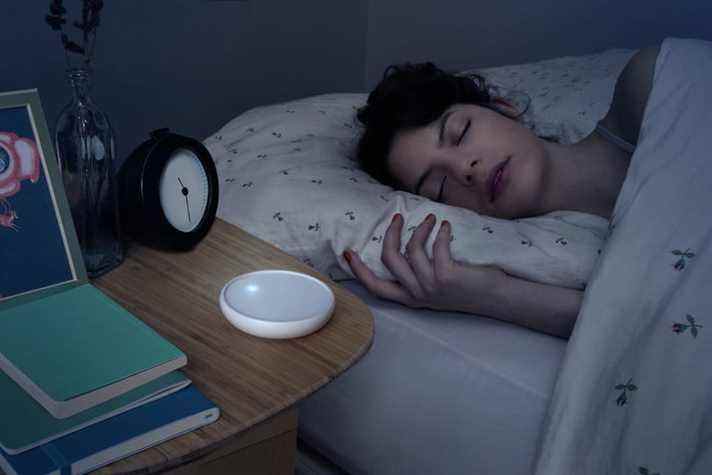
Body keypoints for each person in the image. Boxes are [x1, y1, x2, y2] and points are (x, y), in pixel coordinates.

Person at [342, 45, 661, 338]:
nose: (464, 169)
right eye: (439, 187)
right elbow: (658, 327)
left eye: (460, 133)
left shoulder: (647, 85)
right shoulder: (565, 248)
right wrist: (493, 295)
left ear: (503, 107)